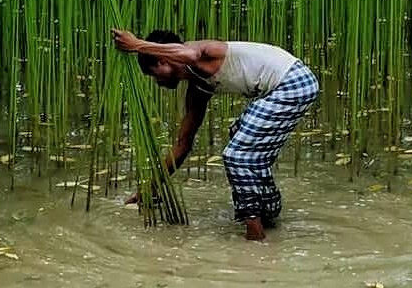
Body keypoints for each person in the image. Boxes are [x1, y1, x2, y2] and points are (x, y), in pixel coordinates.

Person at [111, 28, 319, 241]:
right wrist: (150, 188)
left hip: (294, 82)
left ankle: (255, 234)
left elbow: (189, 54)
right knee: (243, 142)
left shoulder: (201, 50)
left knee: (236, 155)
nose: (157, 82)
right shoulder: (199, 86)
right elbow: (183, 144)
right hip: (289, 86)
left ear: (163, 61)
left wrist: (136, 45)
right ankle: (268, 212)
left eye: (154, 74)